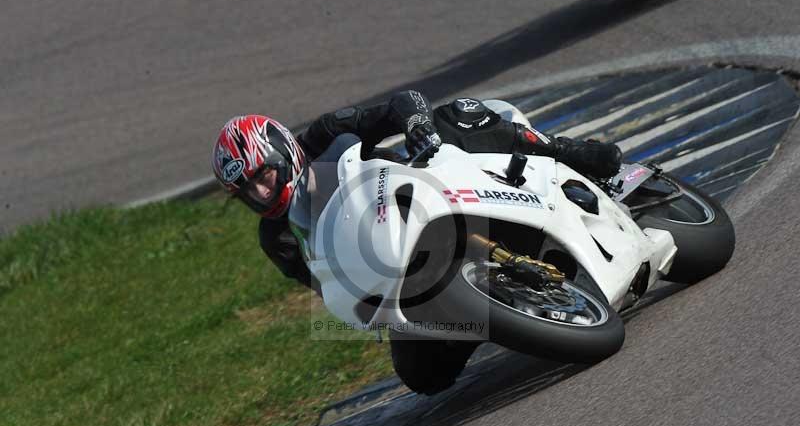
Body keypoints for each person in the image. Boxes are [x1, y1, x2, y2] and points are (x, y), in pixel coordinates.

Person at [211, 91, 622, 292]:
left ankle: (570, 153)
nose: (262, 192)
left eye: (263, 175)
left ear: (282, 152)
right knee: (423, 377)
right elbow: (322, 287)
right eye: (249, 191)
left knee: (458, 115)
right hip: (393, 265)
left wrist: (416, 127)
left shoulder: (322, 134)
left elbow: (402, 102)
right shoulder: (277, 238)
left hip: (428, 183)